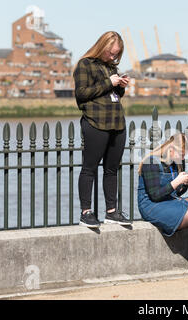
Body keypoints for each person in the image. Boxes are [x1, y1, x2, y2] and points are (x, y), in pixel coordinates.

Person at [137, 133, 188, 281]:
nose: (182, 158)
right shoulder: (151, 162)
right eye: (181, 154)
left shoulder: (174, 164)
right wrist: (177, 181)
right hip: (152, 205)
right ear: (171, 149)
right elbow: (155, 195)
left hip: (169, 201)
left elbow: (176, 192)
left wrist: (186, 182)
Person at [74, 31, 131, 228]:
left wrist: (120, 86)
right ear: (102, 46)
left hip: (117, 123)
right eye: (111, 53)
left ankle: (111, 212)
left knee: (111, 170)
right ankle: (86, 213)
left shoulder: (111, 67)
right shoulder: (85, 65)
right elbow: (81, 94)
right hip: (95, 122)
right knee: (89, 168)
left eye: (117, 54)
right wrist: (109, 82)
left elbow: (110, 95)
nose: (113, 57)